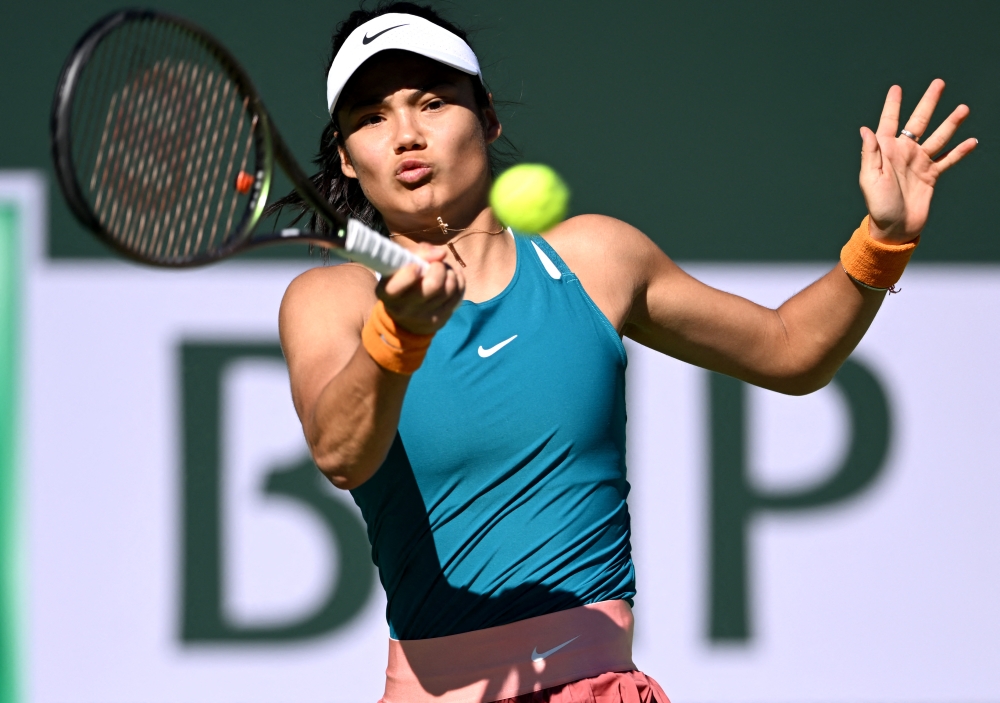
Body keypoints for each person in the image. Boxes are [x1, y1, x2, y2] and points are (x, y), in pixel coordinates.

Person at [275, 3, 976, 702]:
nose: (406, 134)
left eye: (432, 102)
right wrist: (395, 334)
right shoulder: (331, 301)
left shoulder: (596, 259)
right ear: (347, 156)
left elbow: (794, 352)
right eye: (372, 117)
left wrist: (883, 240)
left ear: (486, 117)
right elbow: (342, 454)